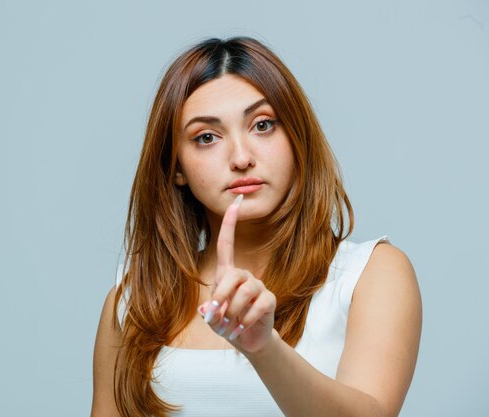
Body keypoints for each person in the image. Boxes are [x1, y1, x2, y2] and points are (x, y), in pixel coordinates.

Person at [91, 36, 422, 417]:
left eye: (262, 125)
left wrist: (264, 349)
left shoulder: (370, 275)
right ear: (176, 166)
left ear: (296, 137)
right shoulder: (134, 300)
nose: (241, 157)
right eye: (207, 137)